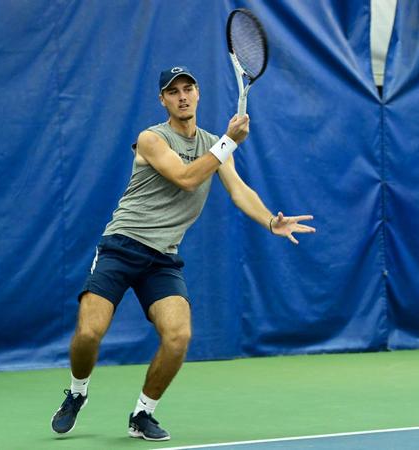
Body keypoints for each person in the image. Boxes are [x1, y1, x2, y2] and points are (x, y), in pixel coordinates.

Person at [50, 66, 315, 441]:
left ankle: (142, 414)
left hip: (162, 258)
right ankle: (77, 392)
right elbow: (187, 178)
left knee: (178, 336)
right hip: (122, 245)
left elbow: (238, 190)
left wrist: (272, 221)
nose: (182, 96)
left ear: (198, 93)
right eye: (173, 92)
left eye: (188, 88)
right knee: (89, 333)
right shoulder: (151, 139)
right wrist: (228, 142)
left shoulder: (211, 143)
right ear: (163, 100)